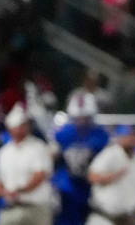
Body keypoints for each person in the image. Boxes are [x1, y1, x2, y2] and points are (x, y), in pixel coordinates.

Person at [0, 104, 54, 225]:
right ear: (9, 128)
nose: (21, 129)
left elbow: (39, 176)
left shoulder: (38, 147)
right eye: (18, 126)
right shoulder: (4, 152)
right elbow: (2, 182)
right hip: (10, 208)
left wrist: (18, 190)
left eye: (24, 125)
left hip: (35, 209)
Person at [87, 125, 135, 225]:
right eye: (127, 135)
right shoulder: (111, 154)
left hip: (128, 219)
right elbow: (92, 177)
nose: (131, 139)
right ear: (120, 138)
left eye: (133, 135)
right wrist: (114, 176)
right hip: (104, 217)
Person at [52, 92, 109, 225]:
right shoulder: (63, 134)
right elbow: (53, 160)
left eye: (86, 118)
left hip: (91, 185)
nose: (82, 121)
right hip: (68, 185)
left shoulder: (100, 135)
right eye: (78, 118)